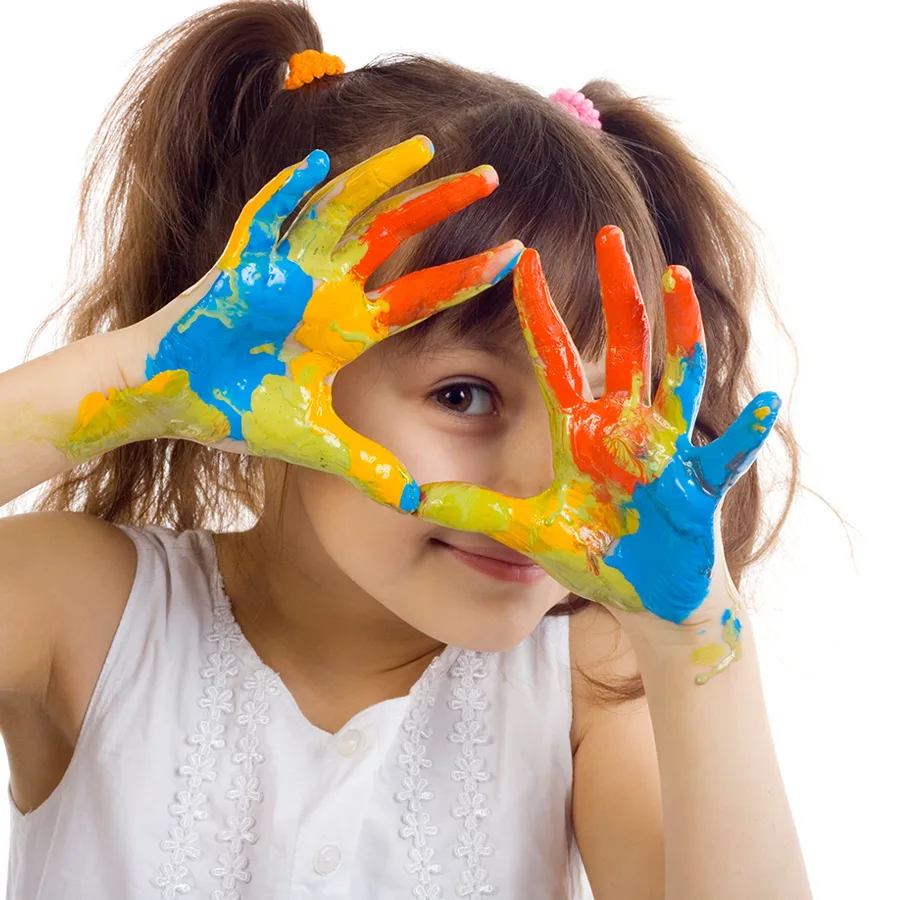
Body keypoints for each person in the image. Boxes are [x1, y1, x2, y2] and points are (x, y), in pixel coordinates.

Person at [0, 0, 813, 897]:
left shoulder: (586, 684)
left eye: (587, 421)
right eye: (464, 396)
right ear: (273, 371)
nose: (538, 482)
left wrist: (695, 633)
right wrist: (133, 372)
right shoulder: (87, 613)